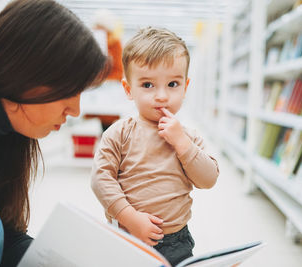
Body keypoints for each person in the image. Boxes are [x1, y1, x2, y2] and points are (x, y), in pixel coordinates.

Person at [0, 0, 110, 266]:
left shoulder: (6, 131)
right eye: (70, 90)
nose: (75, 109)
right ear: (28, 72)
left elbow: (7, 236)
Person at [91, 26, 219, 266]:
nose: (161, 96)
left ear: (185, 86)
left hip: (177, 241)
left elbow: (208, 179)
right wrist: (129, 218)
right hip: (128, 233)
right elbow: (101, 179)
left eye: (172, 84)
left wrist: (182, 144)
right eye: (148, 85)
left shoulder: (188, 137)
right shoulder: (119, 133)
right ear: (129, 89)